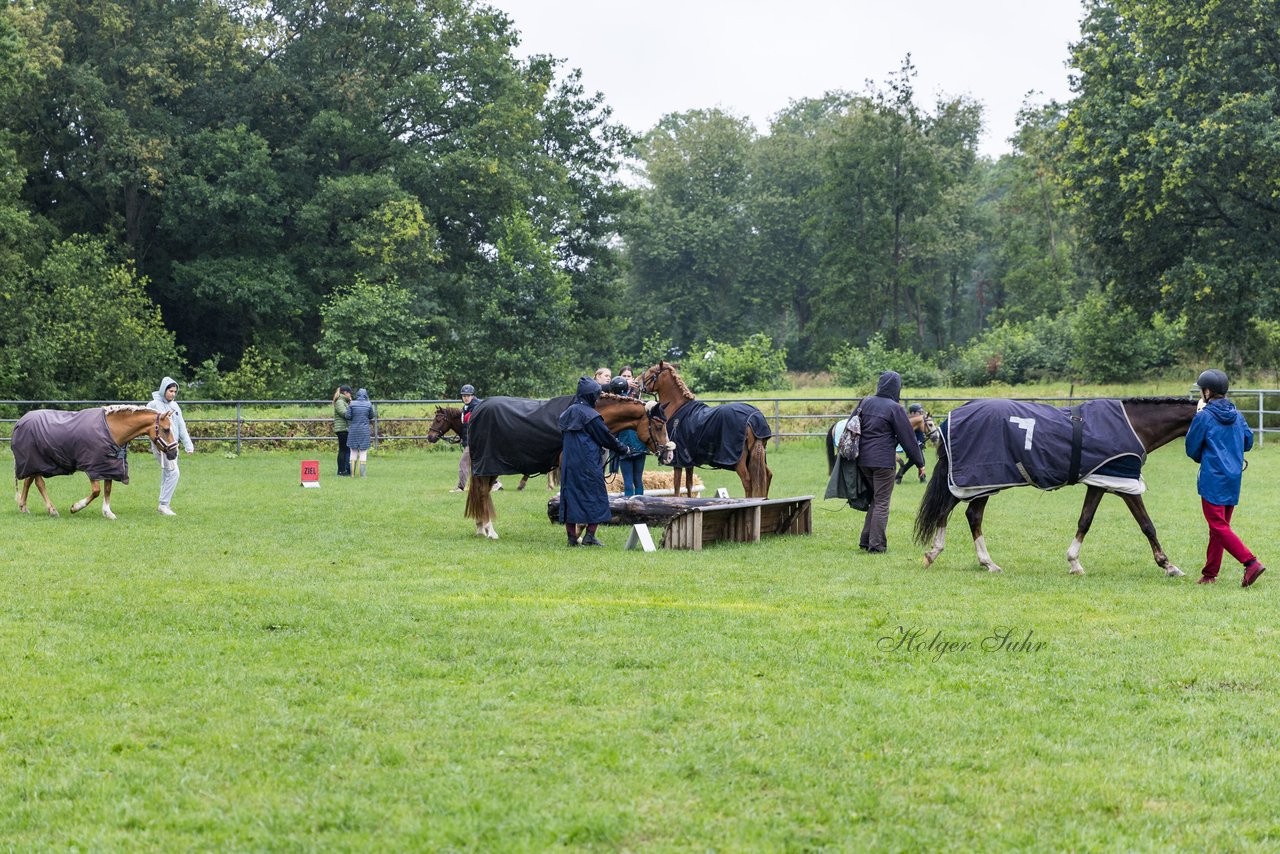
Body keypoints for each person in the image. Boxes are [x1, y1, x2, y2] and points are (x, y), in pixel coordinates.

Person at [1186, 369, 1264, 586]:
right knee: (1219, 527)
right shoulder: (1237, 416)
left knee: (1218, 526)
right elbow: (1248, 441)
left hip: (1213, 478)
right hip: (1233, 478)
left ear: (1208, 391)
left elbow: (1191, 448)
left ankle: (1251, 563)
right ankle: (1210, 574)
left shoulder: (1204, 417)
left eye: (1201, 389)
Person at [854, 370, 925, 553]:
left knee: (876, 499)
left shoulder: (865, 402)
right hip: (883, 462)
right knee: (883, 501)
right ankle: (876, 545)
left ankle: (865, 539)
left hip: (862, 460)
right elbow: (907, 438)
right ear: (897, 388)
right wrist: (919, 463)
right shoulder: (895, 408)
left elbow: (851, 425)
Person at [558, 376, 629, 546]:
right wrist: (623, 449)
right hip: (588, 464)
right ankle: (590, 535)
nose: (597, 399)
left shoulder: (566, 414)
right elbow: (606, 438)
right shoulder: (591, 416)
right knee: (596, 497)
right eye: (595, 395)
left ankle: (572, 539)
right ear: (590, 396)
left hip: (569, 464)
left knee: (571, 498)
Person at [147, 376, 195, 516]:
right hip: (162, 446)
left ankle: (163, 503)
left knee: (167, 473)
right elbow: (145, 425)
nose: (173, 394)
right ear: (164, 390)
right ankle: (163, 505)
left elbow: (181, 426)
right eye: (170, 391)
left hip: (173, 446)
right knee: (174, 472)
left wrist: (188, 445)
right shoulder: (153, 405)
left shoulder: (175, 406)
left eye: (175, 391)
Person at [453, 384, 501, 493]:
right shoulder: (466, 408)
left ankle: (461, 487)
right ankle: (496, 483)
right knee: (482, 462)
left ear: (473, 396)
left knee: (463, 463)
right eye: (464, 395)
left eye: (468, 395)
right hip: (472, 441)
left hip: (476, 442)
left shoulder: (477, 408)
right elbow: (466, 427)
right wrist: (463, 439)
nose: (465, 397)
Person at [895, 402, 929, 484]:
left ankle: (921, 478)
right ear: (912, 413)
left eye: (921, 412)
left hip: (919, 444)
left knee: (918, 461)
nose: (921, 414)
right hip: (913, 445)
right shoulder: (909, 422)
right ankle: (899, 475)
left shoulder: (919, 421)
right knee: (915, 461)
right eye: (919, 412)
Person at [346, 388, 376, 477]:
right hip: (364, 430)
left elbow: (348, 416)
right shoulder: (369, 404)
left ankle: (352, 474)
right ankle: (362, 474)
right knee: (363, 451)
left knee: (353, 451)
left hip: (353, 429)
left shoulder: (352, 403)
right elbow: (371, 416)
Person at [333, 385, 353, 476]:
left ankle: (343, 470)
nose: (350, 395)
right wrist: (351, 405)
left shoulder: (343, 401)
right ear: (345, 393)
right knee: (342, 450)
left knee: (344, 450)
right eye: (349, 393)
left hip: (344, 428)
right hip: (342, 429)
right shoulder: (340, 402)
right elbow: (345, 414)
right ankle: (341, 471)